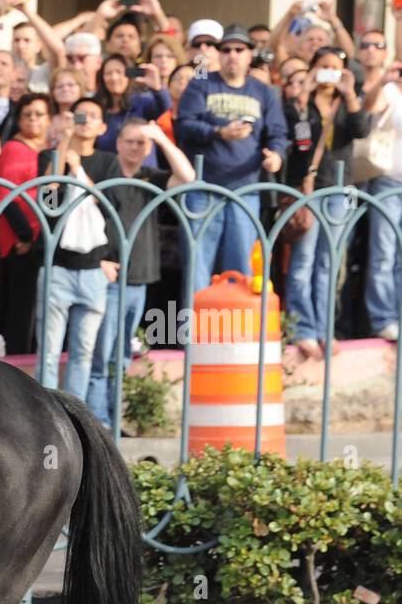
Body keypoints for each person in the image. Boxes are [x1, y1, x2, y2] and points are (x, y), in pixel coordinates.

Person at [86, 117, 195, 428]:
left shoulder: (151, 176)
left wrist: (160, 138)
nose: (136, 148)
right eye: (130, 141)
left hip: (140, 278)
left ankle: (111, 420)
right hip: (108, 276)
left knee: (120, 355)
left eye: (141, 143)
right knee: (100, 355)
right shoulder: (106, 172)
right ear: (118, 143)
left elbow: (188, 176)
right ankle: (99, 424)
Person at [175, 23, 287, 297]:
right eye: (225, 49)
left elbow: (278, 133)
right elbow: (184, 126)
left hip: (245, 189)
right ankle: (196, 333)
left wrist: (276, 156)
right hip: (203, 188)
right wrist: (218, 132)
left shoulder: (263, 92)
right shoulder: (201, 83)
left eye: (239, 49)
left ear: (250, 54)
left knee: (243, 266)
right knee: (198, 265)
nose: (232, 55)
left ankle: (239, 334)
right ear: (218, 53)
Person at [283, 45, 370, 359]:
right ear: (312, 69)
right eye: (324, 66)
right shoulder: (299, 106)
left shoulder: (346, 103)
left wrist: (349, 95)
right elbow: (301, 142)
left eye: (336, 67)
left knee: (329, 264)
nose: (330, 73)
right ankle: (302, 328)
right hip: (309, 189)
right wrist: (303, 101)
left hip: (340, 189)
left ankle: (325, 329)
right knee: (303, 262)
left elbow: (361, 130)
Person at [35, 100, 120, 401]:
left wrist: (78, 169)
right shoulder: (50, 156)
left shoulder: (108, 161)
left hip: (93, 270)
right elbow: (48, 196)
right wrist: (63, 147)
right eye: (79, 116)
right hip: (57, 267)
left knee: (83, 352)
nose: (85, 121)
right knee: (48, 351)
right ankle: (45, 415)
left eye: (92, 116)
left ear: (102, 127)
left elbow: (109, 203)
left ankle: (76, 417)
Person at [0, 92, 52, 354]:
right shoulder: (15, 149)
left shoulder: (41, 149)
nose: (34, 119)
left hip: (35, 237)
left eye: (39, 114)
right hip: (20, 241)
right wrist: (25, 236)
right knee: (21, 308)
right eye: (28, 114)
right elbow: (7, 196)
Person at [363, 64, 402, 343]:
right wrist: (383, 80)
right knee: (384, 253)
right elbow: (368, 106)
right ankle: (383, 317)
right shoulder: (390, 90)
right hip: (388, 181)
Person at [93, 53, 169, 160]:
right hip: (108, 171)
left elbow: (165, 109)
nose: (114, 78)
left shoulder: (142, 102)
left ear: (129, 75)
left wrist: (157, 88)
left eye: (119, 72)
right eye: (108, 73)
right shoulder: (96, 107)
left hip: (142, 171)